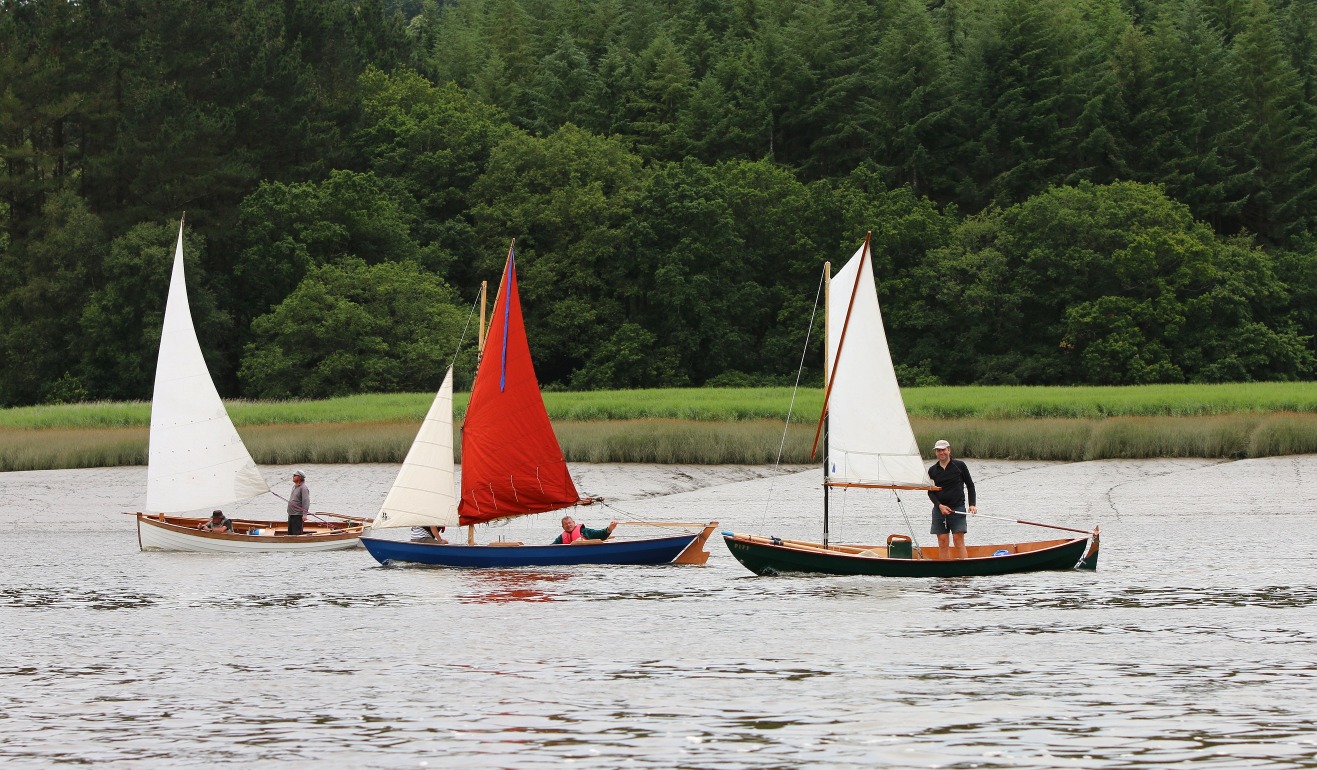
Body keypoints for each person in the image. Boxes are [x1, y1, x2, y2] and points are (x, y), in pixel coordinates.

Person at [927, 439, 975, 560]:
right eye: (938, 450)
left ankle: (964, 571)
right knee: (942, 542)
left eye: (943, 450)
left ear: (949, 450)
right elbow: (930, 492)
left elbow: (970, 485)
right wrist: (939, 506)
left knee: (958, 540)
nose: (941, 452)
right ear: (936, 453)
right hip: (939, 510)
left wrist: (972, 504)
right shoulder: (932, 470)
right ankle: (945, 575)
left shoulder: (960, 466)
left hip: (957, 508)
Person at [287, 470, 310, 536]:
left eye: (294, 475)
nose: (293, 477)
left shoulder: (303, 488)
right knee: (290, 534)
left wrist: (305, 514)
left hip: (297, 515)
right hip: (291, 514)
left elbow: (306, 501)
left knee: (296, 534)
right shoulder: (294, 487)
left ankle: (297, 544)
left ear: (300, 477)